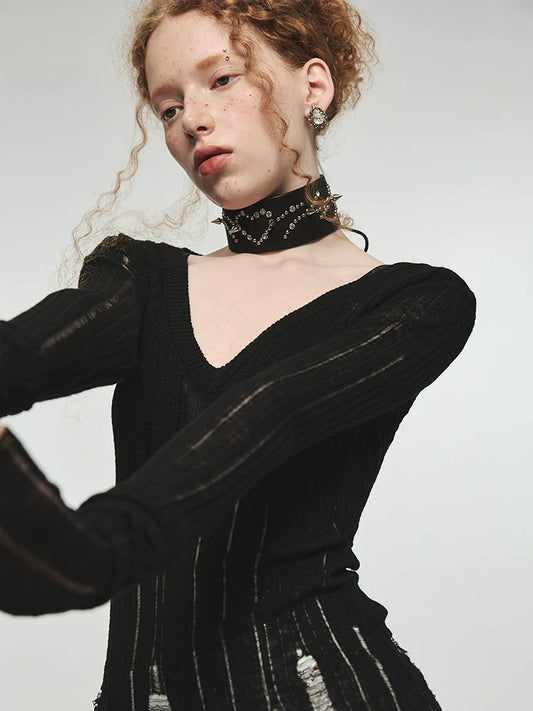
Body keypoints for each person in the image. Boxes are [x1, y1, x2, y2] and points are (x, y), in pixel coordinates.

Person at [0, 1, 476, 709]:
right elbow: (20, 355)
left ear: (312, 85)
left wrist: (89, 553)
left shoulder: (416, 302)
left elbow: (273, 412)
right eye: (167, 108)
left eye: (222, 79)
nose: (191, 120)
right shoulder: (141, 281)